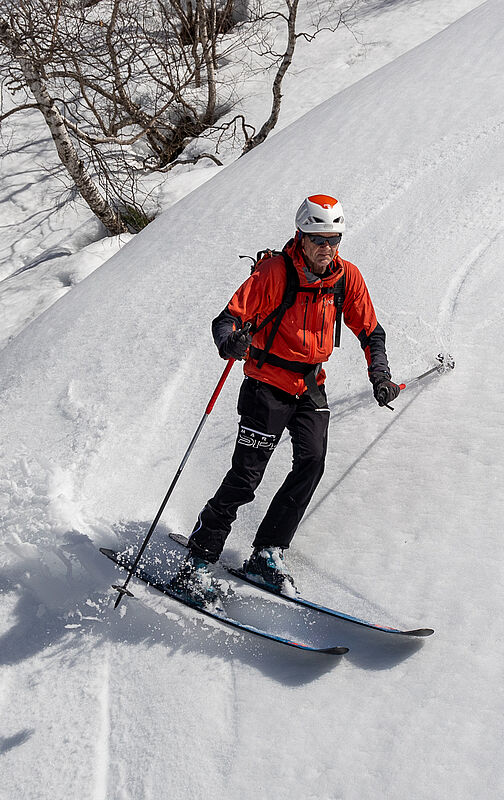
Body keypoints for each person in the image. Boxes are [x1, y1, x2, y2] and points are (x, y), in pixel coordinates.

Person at [169, 194, 401, 609]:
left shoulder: (346, 278)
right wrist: (232, 342)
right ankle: (198, 563)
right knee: (246, 477)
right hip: (266, 385)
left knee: (311, 463)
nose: (326, 248)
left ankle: (267, 553)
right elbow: (227, 320)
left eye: (333, 239)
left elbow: (370, 331)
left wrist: (379, 374)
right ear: (301, 236)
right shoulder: (274, 273)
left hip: (311, 385)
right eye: (317, 239)